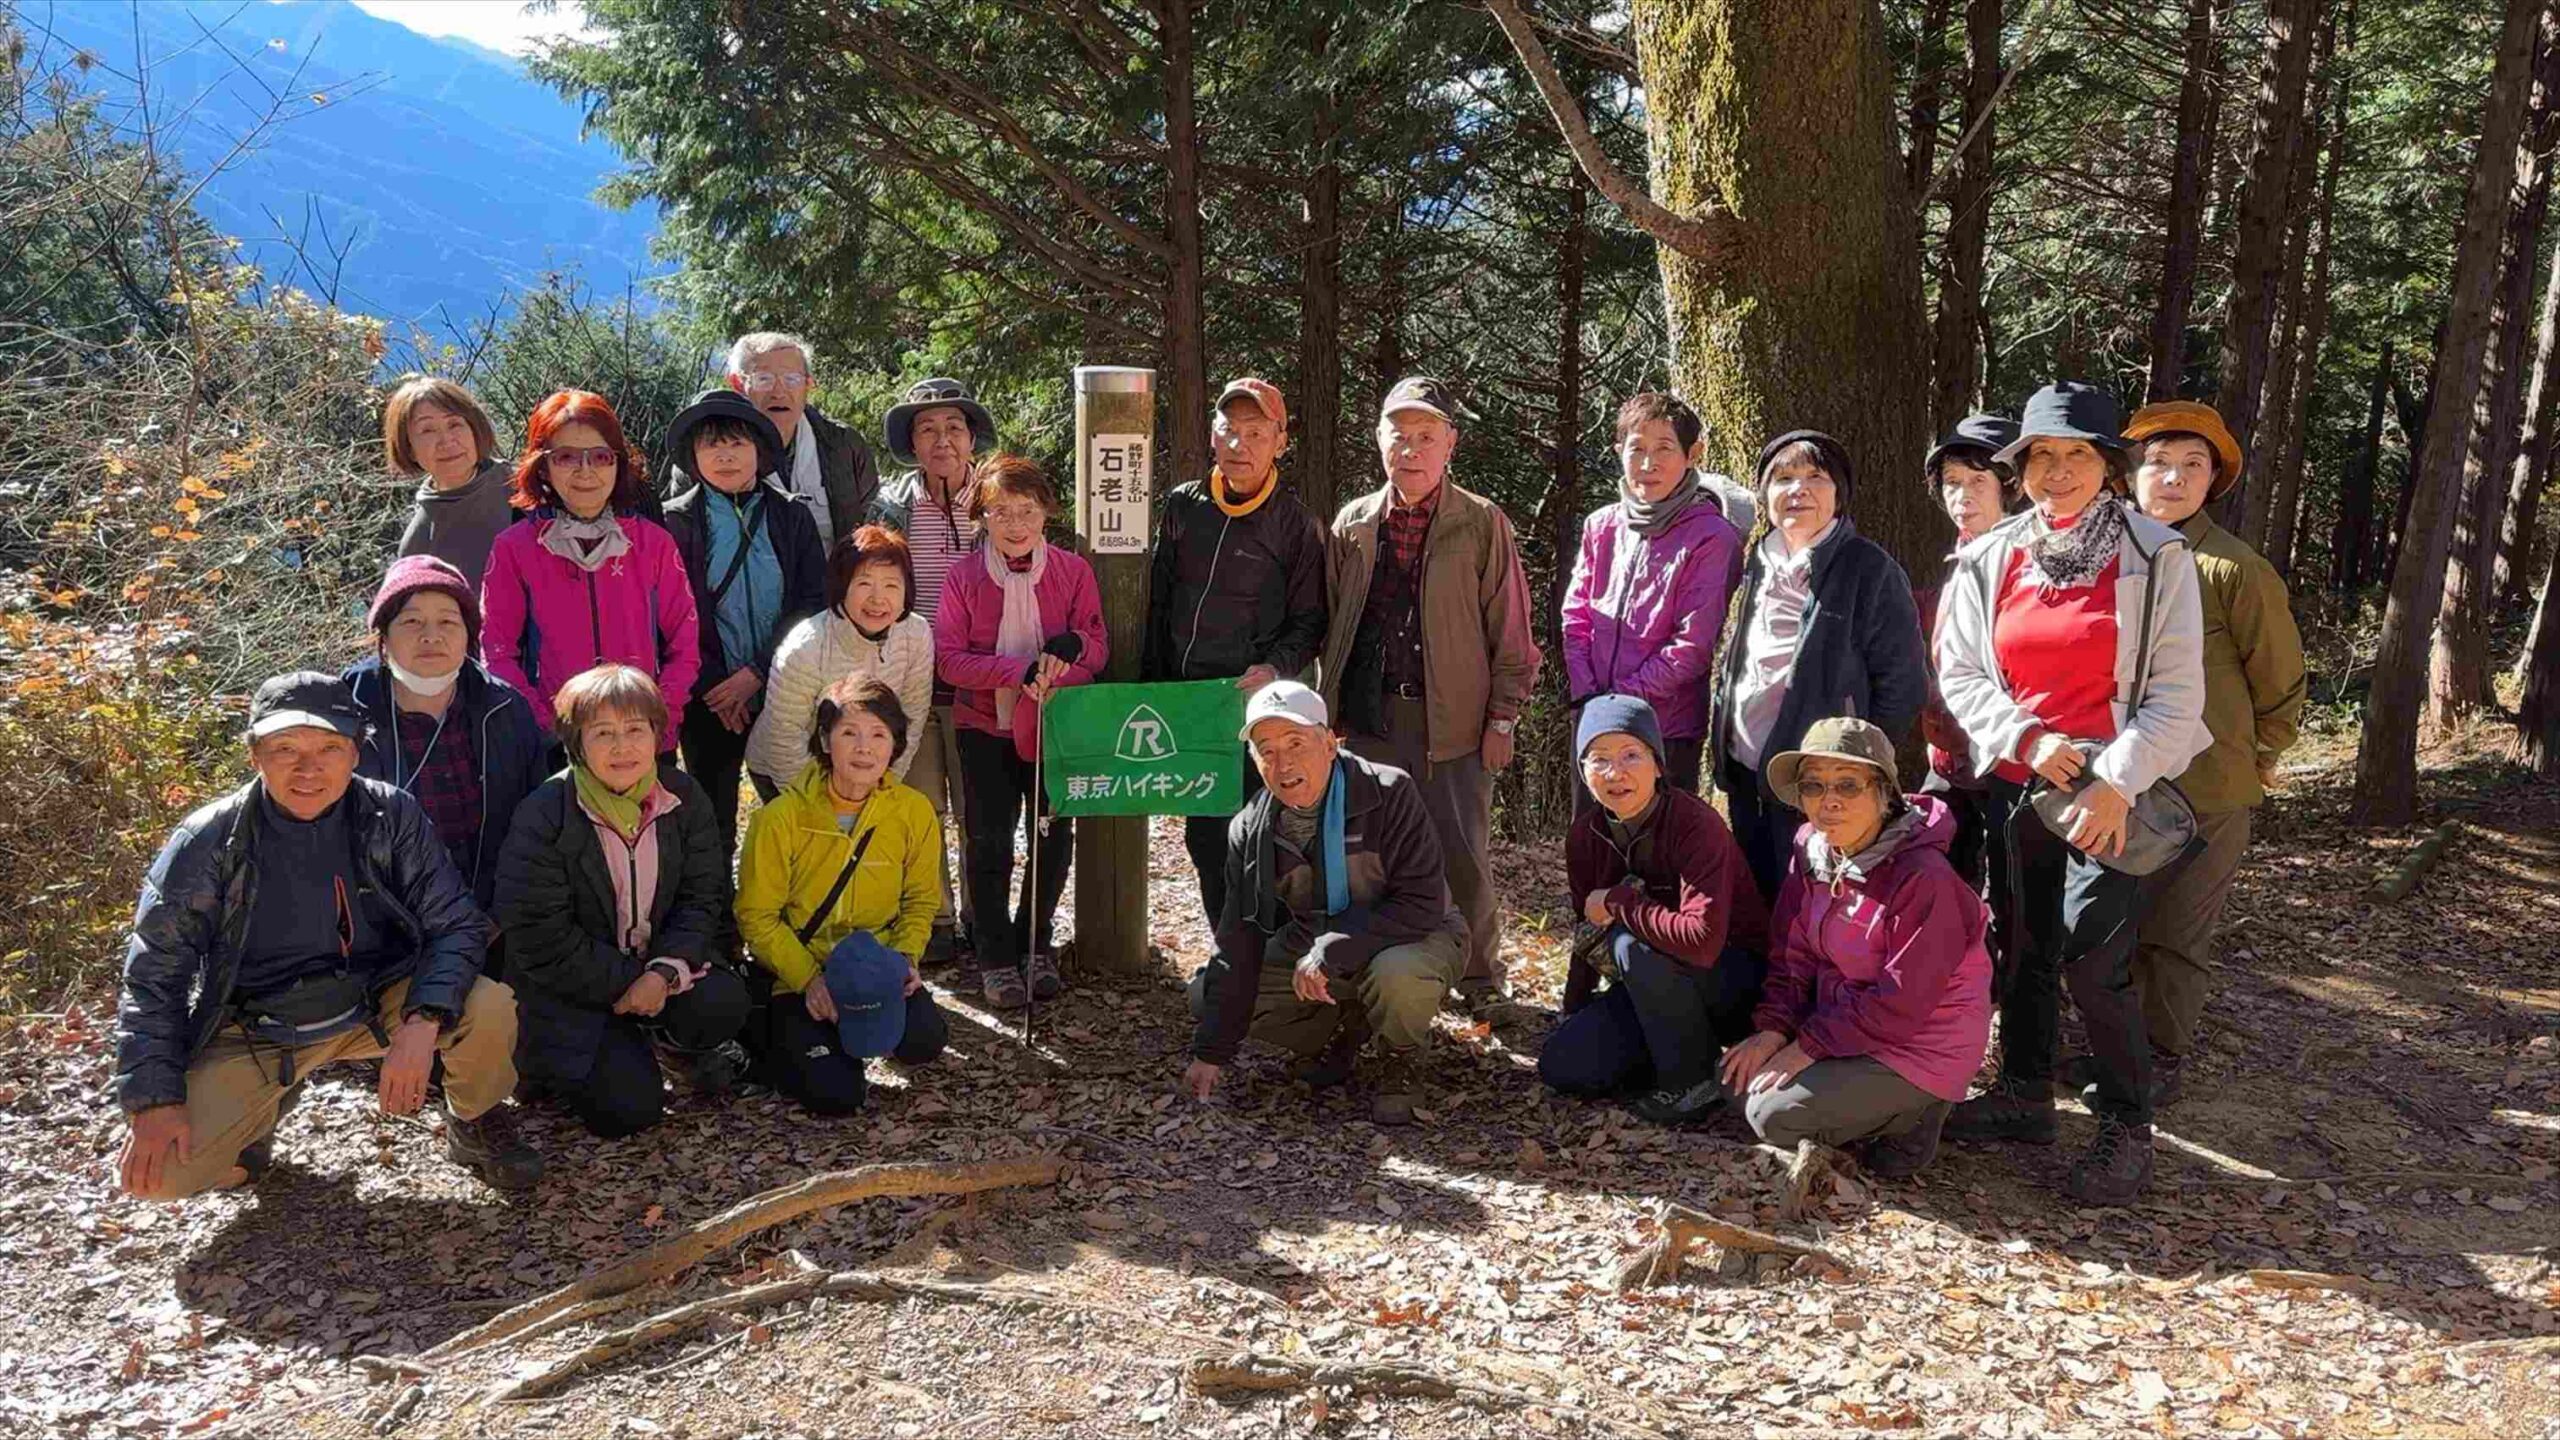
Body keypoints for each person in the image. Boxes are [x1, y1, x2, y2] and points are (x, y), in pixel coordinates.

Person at [1936, 382, 2209, 1206]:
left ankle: (2127, 1126)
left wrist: (2115, 782)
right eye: (2042, 456)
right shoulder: (1992, 556)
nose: (2058, 471)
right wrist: (2027, 739)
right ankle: (2024, 1096)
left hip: (2114, 790)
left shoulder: (2156, 557)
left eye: (2077, 455)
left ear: (2108, 466)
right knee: (2022, 945)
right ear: (2020, 468)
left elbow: (2177, 694)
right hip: (2020, 784)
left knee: (2093, 958)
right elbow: (1961, 670)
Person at [115, 672, 540, 1200]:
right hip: (257, 1027)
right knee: (160, 1179)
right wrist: (154, 1100)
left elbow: (455, 922)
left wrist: (423, 1019)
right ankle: (253, 1132)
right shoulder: (208, 841)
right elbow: (154, 976)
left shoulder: (391, 814)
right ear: (254, 755)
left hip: (374, 1002)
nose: (308, 768)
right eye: (285, 749)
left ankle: (474, 1120)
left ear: (356, 754)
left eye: (329, 748)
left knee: (488, 1007)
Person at [1316, 376, 1542, 1008]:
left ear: (1450, 444)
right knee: (1369, 854)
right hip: (1367, 721)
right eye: (1399, 435)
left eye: (1425, 436)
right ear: (1379, 440)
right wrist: (1327, 714)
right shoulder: (1353, 524)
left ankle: (1480, 980)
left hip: (1454, 723)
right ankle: (1380, 979)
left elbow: (1512, 630)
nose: (1410, 449)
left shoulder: (1480, 522)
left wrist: (1503, 717)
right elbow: (1330, 624)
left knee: (1462, 853)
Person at [2119, 400, 2305, 1105]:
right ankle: (2114, 1050)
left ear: (2212, 481)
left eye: (2192, 465)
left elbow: (2280, 678)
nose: (2174, 478)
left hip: (2208, 787)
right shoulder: (2112, 554)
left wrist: (2263, 753)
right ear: (2131, 475)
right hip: (2119, 779)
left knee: (2176, 930)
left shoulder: (2234, 568)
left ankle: (2159, 1058)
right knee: (2114, 925)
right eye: (2159, 463)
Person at [1182, 682, 1467, 1125]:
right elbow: (1240, 935)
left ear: (1330, 744)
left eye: (1296, 743)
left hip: (1416, 933)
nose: (1283, 763)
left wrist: (1333, 949)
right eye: (1266, 751)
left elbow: (1422, 902)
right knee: (1204, 994)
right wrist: (1211, 1052)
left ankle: (1401, 1058)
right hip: (1313, 940)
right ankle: (1340, 1033)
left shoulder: (1388, 791)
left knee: (1397, 974)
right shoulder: (1250, 828)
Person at [1722, 717, 1993, 1178]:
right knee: (1734, 1081)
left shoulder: (1924, 878)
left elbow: (1901, 1003)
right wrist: (1774, 1029)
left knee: (1771, 1116)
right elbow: (1792, 955)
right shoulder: (1812, 849)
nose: (1828, 800)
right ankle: (1856, 1109)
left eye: (1848, 785)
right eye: (1813, 785)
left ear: (1884, 793)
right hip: (1844, 1019)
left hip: (1918, 1045)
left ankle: (1917, 1115)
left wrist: (1807, 1046)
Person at [493, 666, 751, 1138]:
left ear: (656, 734)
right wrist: (632, 981)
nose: (622, 747)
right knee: (628, 1110)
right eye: (603, 733)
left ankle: (669, 1046)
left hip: (656, 970)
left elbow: (702, 895)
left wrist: (664, 972)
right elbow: (539, 936)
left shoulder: (683, 797)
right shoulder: (544, 814)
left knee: (722, 1002)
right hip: (576, 985)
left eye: (635, 730)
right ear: (577, 743)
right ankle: (557, 1060)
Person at [1709, 429, 1929, 903]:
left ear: (1839, 494)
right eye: (1784, 478)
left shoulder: (1868, 569)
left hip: (1818, 783)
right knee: (1756, 899)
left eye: (1815, 477)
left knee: (1813, 904)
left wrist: (1849, 761)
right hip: (1745, 771)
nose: (1799, 489)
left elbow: (1905, 684)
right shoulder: (1754, 563)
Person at [1141, 377, 1328, 926]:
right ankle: (1228, 948)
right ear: (1212, 435)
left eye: (1255, 433)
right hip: (1190, 702)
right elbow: (1159, 599)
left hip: (1252, 706)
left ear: (1280, 442)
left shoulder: (1295, 524)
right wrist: (1153, 684)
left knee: (1260, 836)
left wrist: (1274, 668)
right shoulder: (1184, 503)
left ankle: (1273, 947)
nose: (1239, 444)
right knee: (1205, 840)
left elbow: (1310, 620)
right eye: (1228, 430)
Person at [1538, 695, 1770, 1125]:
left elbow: (1701, 942)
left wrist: (1619, 901)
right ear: (1583, 770)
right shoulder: (1585, 836)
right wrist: (1574, 1009)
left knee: (1629, 944)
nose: (1616, 773)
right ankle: (1677, 1050)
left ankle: (1692, 1083)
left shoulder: (1695, 825)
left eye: (1631, 755)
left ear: (1658, 765)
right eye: (1599, 759)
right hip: (1654, 990)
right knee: (1564, 1064)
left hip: (1733, 982)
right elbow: (1587, 930)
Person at [934, 454, 1107, 1008]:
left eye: (1027, 510)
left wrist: (1067, 660)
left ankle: (1036, 942)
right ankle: (994, 956)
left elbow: (1096, 649)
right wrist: (1018, 671)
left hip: (1054, 726)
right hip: (983, 726)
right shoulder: (964, 577)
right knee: (988, 840)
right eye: (1001, 512)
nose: (1015, 524)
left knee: (1052, 836)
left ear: (1046, 513)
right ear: (982, 517)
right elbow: (949, 660)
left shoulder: (1072, 571)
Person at [736, 676, 951, 1113]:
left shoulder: (913, 812)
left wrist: (905, 960)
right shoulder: (780, 819)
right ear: (824, 740)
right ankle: (784, 1040)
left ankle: (843, 1033)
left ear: (895, 745)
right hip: (801, 971)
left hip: (873, 967)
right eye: (849, 733)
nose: (864, 748)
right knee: (836, 1096)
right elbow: (757, 917)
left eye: (878, 735)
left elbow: (920, 901)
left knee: (924, 1040)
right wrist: (808, 981)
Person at [481, 390, 700, 754]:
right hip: (554, 744)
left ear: (618, 463)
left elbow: (685, 641)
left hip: (642, 738)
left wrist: (660, 716)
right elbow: (496, 650)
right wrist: (545, 724)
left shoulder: (653, 544)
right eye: (566, 457)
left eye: (600, 456)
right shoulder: (514, 549)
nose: (586, 471)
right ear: (543, 467)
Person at [659, 389, 828, 850]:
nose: (725, 455)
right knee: (712, 821)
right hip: (707, 697)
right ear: (693, 456)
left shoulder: (792, 515)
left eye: (737, 442)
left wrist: (757, 672)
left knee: (795, 809)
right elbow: (669, 614)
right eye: (711, 444)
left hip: (784, 687)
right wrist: (716, 686)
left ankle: (793, 892)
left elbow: (811, 601)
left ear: (759, 449)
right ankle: (716, 898)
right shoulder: (674, 523)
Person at [342, 556, 548, 936]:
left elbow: (539, 828)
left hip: (497, 927)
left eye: (448, 622)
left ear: (469, 635)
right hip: (386, 936)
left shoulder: (506, 710)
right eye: (411, 621)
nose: (431, 636)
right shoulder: (343, 716)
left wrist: (500, 917)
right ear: (383, 637)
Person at [1560, 393, 1748, 801]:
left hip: (1665, 728)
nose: (1648, 464)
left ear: (1692, 454)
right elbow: (1576, 615)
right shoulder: (1602, 525)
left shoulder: (1711, 537)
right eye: (1637, 449)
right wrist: (1588, 695)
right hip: (1594, 718)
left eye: (1664, 448)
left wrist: (1621, 701)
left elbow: (1692, 646)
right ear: (1618, 452)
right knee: (1591, 834)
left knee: (1660, 838)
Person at [870, 377, 1000, 963]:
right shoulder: (888, 507)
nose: (941, 439)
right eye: (927, 429)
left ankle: (982, 915)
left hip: (981, 681)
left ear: (972, 437)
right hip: (910, 681)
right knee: (920, 808)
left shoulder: (998, 500)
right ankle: (934, 917)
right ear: (912, 442)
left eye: (953, 427)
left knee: (980, 809)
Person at [746, 526, 936, 799]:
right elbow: (784, 740)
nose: (878, 599)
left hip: (866, 765)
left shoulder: (916, 634)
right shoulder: (805, 647)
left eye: (891, 585)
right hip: (789, 770)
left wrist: (883, 787)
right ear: (841, 586)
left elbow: (912, 717)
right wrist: (825, 806)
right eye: (864, 583)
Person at [1915, 414, 2022, 893]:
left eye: (1979, 481)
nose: (1962, 496)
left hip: (2010, 759)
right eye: (1952, 483)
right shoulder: (1962, 555)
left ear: (2011, 486)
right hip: (1951, 758)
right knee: (1939, 877)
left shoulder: (2030, 559)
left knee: (2011, 894)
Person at [724, 331, 879, 548]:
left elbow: (873, 529)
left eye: (792, 379)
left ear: (808, 384)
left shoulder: (844, 445)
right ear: (737, 384)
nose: (779, 393)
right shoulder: (707, 453)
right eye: (764, 379)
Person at [388, 376, 513, 593]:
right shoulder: (418, 545)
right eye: (427, 430)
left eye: (455, 424)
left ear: (474, 430)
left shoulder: (525, 486)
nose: (446, 440)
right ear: (409, 449)